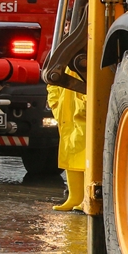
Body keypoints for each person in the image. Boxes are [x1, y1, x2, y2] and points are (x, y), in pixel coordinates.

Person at [47, 75, 86, 211]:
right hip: (67, 110)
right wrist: (55, 103)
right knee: (72, 151)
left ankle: (86, 198)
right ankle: (75, 197)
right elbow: (52, 80)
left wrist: (85, 104)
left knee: (86, 152)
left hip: (81, 110)